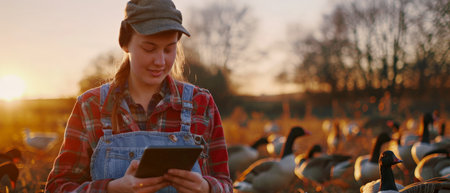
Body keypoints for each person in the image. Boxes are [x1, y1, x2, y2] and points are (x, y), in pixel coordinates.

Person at [45, 0, 232, 192]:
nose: (160, 61)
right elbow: (57, 187)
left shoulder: (201, 104)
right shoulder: (90, 106)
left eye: (169, 49)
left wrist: (206, 188)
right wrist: (110, 189)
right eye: (149, 48)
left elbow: (224, 183)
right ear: (125, 43)